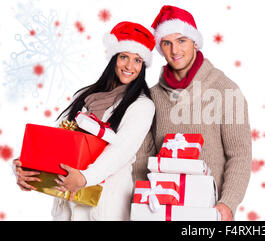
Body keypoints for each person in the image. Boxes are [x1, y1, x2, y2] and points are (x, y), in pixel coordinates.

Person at [13, 21, 156, 221]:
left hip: (104, 206)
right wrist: (25, 166)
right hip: (66, 203)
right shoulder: (84, 95)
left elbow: (122, 150)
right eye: (124, 57)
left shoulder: (141, 106)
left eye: (137, 60)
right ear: (114, 58)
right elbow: (56, 139)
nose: (129, 66)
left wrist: (84, 177)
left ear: (143, 66)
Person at [133, 5, 252, 221]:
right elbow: (143, 156)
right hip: (159, 209)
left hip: (208, 210)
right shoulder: (151, 97)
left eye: (181, 41)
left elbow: (240, 155)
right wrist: (141, 199)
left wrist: (228, 203)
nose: (175, 51)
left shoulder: (226, 90)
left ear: (194, 42)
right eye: (166, 43)